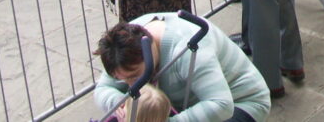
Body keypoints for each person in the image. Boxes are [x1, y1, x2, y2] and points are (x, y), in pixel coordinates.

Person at [94, 15, 270, 122]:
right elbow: (103, 89)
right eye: (122, 79)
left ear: (149, 53)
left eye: (134, 76)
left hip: (242, 102)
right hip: (190, 105)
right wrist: (123, 106)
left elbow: (222, 105)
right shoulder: (122, 45)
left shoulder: (188, 48)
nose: (131, 86)